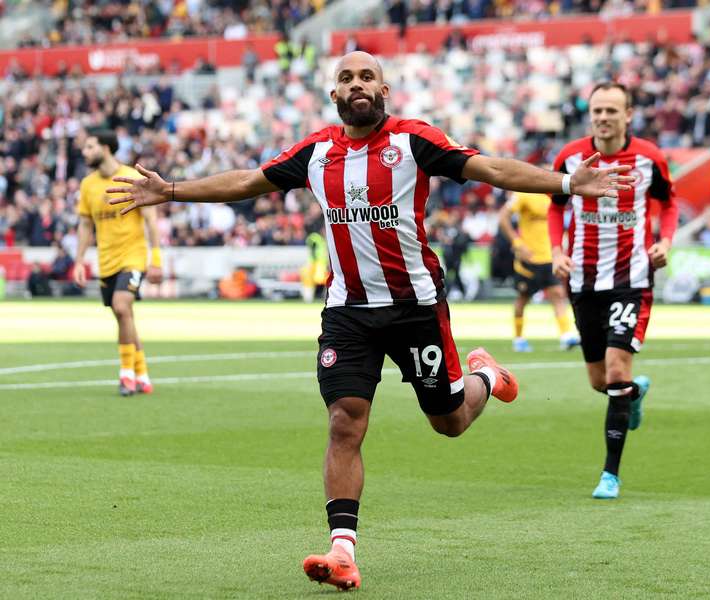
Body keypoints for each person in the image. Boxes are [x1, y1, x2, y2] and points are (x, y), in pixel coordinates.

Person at [106, 51, 633, 592]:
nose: (356, 85)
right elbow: (248, 181)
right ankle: (342, 551)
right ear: (334, 95)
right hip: (348, 311)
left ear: (385, 89)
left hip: (415, 308)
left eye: (366, 77)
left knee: (448, 422)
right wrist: (169, 190)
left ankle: (486, 377)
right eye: (345, 78)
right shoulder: (315, 154)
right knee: (344, 420)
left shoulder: (414, 141)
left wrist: (566, 185)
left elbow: (492, 169)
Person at [549, 82, 679, 500]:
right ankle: (634, 394)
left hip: (631, 278)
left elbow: (670, 202)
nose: (603, 117)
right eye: (597, 110)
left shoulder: (649, 157)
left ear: (628, 115)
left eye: (611, 110)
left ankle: (610, 475)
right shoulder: (571, 157)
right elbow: (555, 205)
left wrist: (665, 241)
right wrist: (556, 250)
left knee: (617, 371)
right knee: (599, 380)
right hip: (584, 280)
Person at [74, 129, 163, 397]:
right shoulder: (88, 185)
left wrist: (156, 259)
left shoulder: (132, 177)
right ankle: (142, 374)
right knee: (124, 317)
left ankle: (126, 376)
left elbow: (150, 219)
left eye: (89, 147)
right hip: (107, 260)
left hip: (133, 256)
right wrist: (79, 260)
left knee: (121, 306)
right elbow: (85, 225)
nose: (84, 152)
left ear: (105, 148)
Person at [498, 189, 579, 352]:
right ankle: (519, 338)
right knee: (523, 298)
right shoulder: (523, 194)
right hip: (529, 258)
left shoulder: (555, 196)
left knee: (557, 293)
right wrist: (517, 243)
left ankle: (566, 335)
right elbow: (503, 217)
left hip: (549, 257)